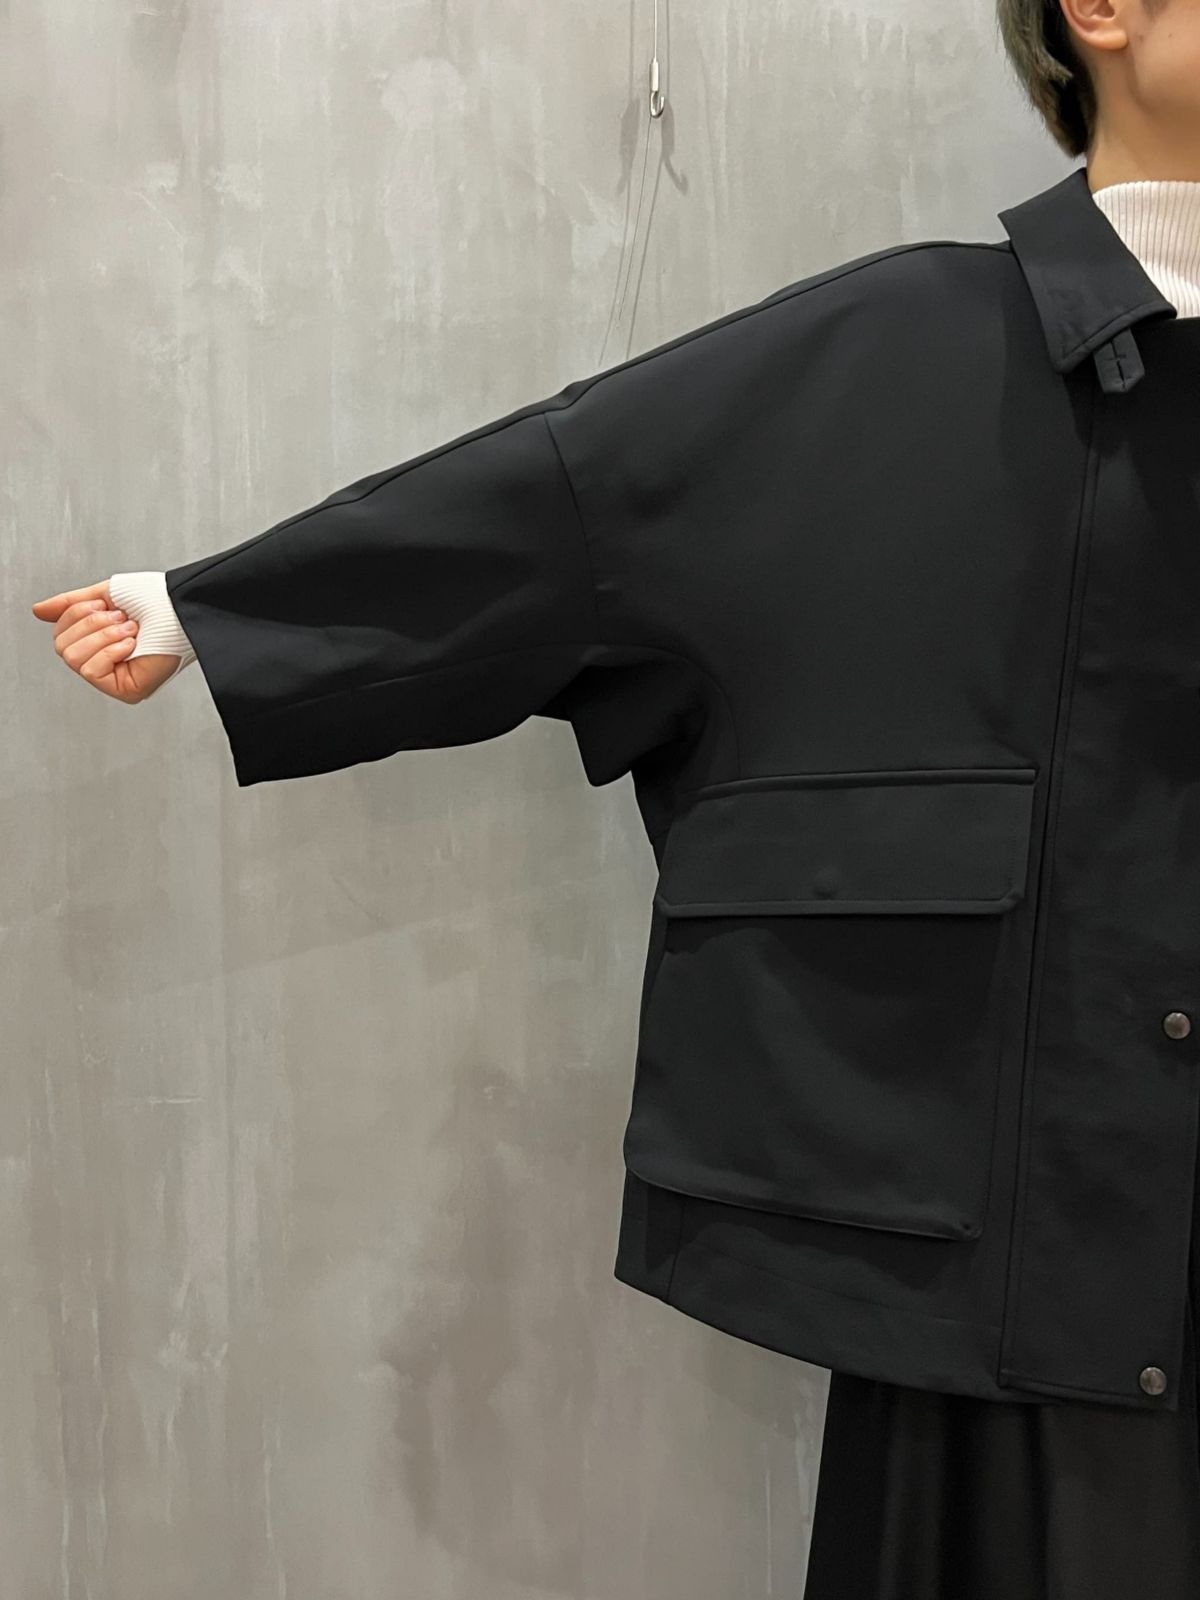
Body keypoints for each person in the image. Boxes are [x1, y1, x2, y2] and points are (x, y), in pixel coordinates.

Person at [29, 2, 1200, 1594]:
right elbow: (569, 512)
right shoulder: (893, 355)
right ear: (1103, 10)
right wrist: (218, 613)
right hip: (1026, 1290)